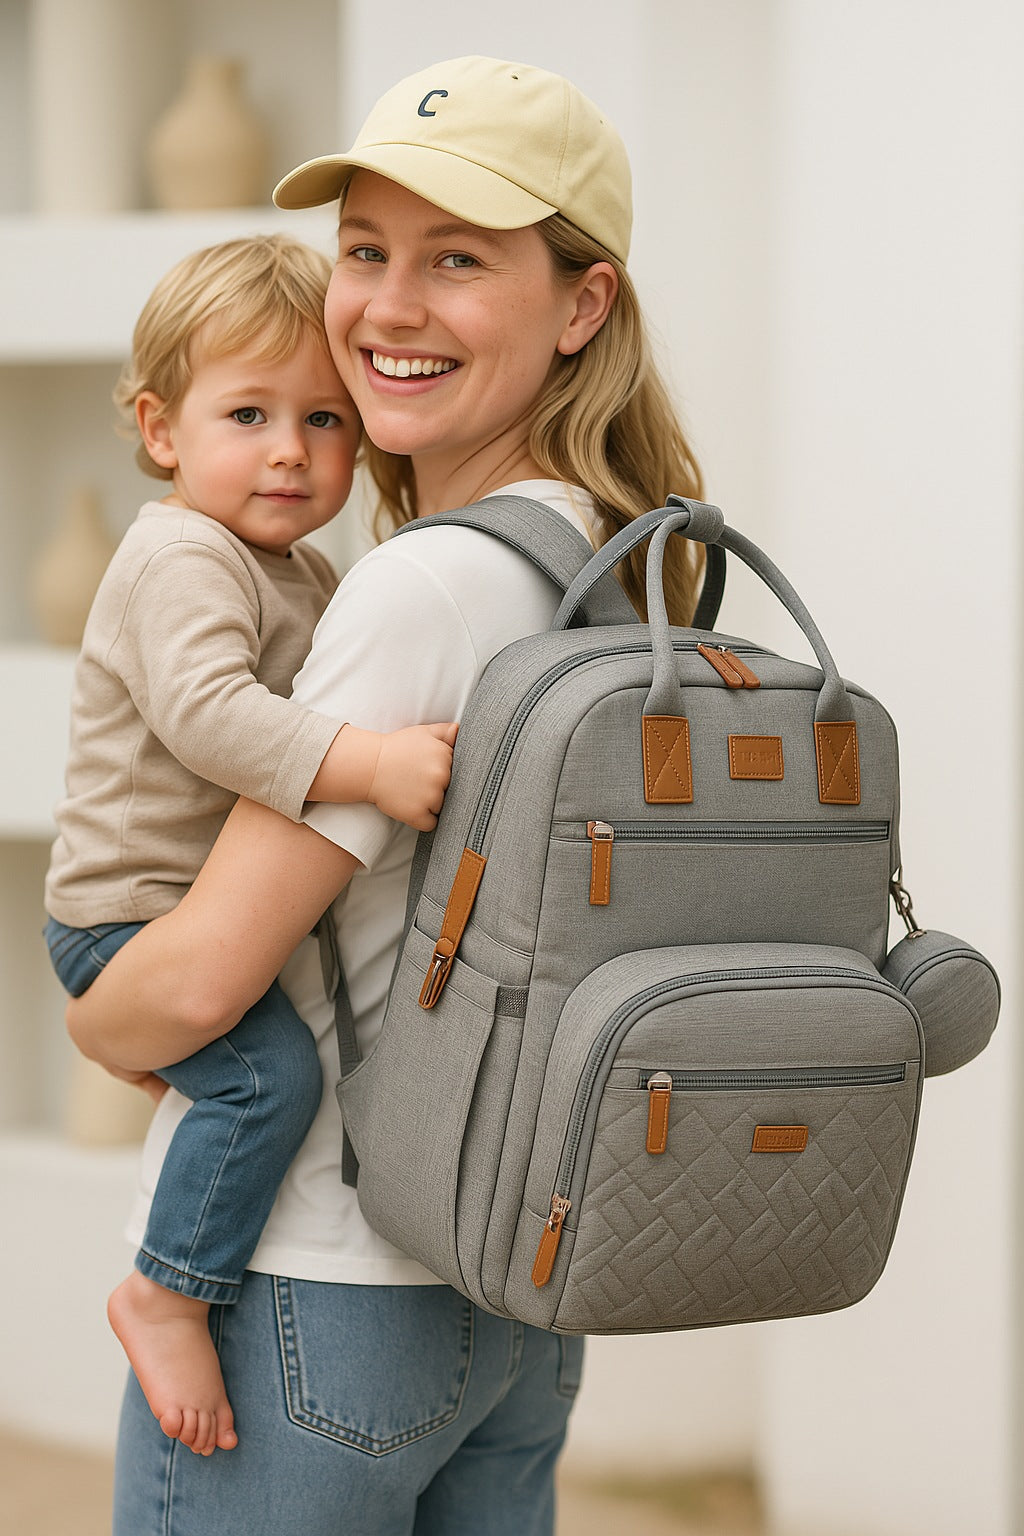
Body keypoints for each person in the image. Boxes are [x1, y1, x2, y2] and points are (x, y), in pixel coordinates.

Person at [65, 56, 704, 1535]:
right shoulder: (623, 566)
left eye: (457, 260)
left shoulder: (421, 591)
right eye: (365, 252)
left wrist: (96, 1017)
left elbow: (195, 983)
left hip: (318, 1288)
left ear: (581, 304)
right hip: (514, 1288)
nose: (386, 307)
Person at [44, 233, 456, 1460]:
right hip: (128, 913)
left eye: (326, 418)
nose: (291, 448)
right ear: (161, 430)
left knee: (258, 1071)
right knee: (270, 1079)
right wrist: (375, 765)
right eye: (248, 413)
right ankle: (166, 1291)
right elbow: (212, 718)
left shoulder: (301, 567)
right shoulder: (180, 556)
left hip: (183, 911)